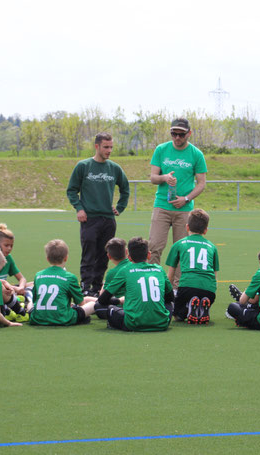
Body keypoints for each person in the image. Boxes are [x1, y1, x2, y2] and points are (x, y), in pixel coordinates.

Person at [67, 132, 130, 297]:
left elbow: (125, 189)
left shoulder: (114, 168)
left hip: (108, 220)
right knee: (89, 255)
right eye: (106, 147)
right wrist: (79, 208)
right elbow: (72, 190)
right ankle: (85, 287)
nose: (109, 150)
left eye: (111, 147)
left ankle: (96, 288)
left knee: (104, 256)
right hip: (89, 219)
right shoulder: (83, 166)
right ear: (97, 146)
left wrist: (120, 207)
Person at [149, 118, 207, 285]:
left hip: (184, 209)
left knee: (183, 250)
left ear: (189, 133)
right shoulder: (161, 150)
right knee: (154, 246)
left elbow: (201, 183)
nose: (177, 137)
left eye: (181, 134)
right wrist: (164, 178)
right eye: (174, 133)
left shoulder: (196, 154)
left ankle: (177, 288)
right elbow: (153, 178)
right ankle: (152, 282)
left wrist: (186, 198)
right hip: (162, 206)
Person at [95, 237, 174, 332]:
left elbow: (102, 300)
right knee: (169, 304)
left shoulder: (125, 270)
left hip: (133, 324)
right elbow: (170, 298)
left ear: (129, 257)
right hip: (162, 324)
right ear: (149, 255)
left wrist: (118, 301)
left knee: (106, 308)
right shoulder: (160, 269)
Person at [165, 208, 219, 324]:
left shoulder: (179, 244)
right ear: (205, 230)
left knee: (177, 316)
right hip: (209, 291)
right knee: (202, 294)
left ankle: (187, 308)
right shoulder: (212, 247)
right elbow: (215, 277)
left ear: (187, 227)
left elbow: (170, 277)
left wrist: (166, 295)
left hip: (187, 288)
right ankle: (200, 308)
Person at [29, 239, 95, 326]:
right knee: (92, 304)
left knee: (30, 303)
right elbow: (81, 303)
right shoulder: (70, 277)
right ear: (66, 258)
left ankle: (27, 295)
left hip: (37, 319)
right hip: (62, 318)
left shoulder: (38, 275)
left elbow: (35, 301)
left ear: (47, 259)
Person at [93, 237, 130, 319]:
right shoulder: (134, 265)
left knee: (95, 304)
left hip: (121, 306)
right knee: (89, 299)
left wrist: (104, 282)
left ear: (109, 256)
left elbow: (102, 296)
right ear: (126, 252)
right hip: (138, 303)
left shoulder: (112, 273)